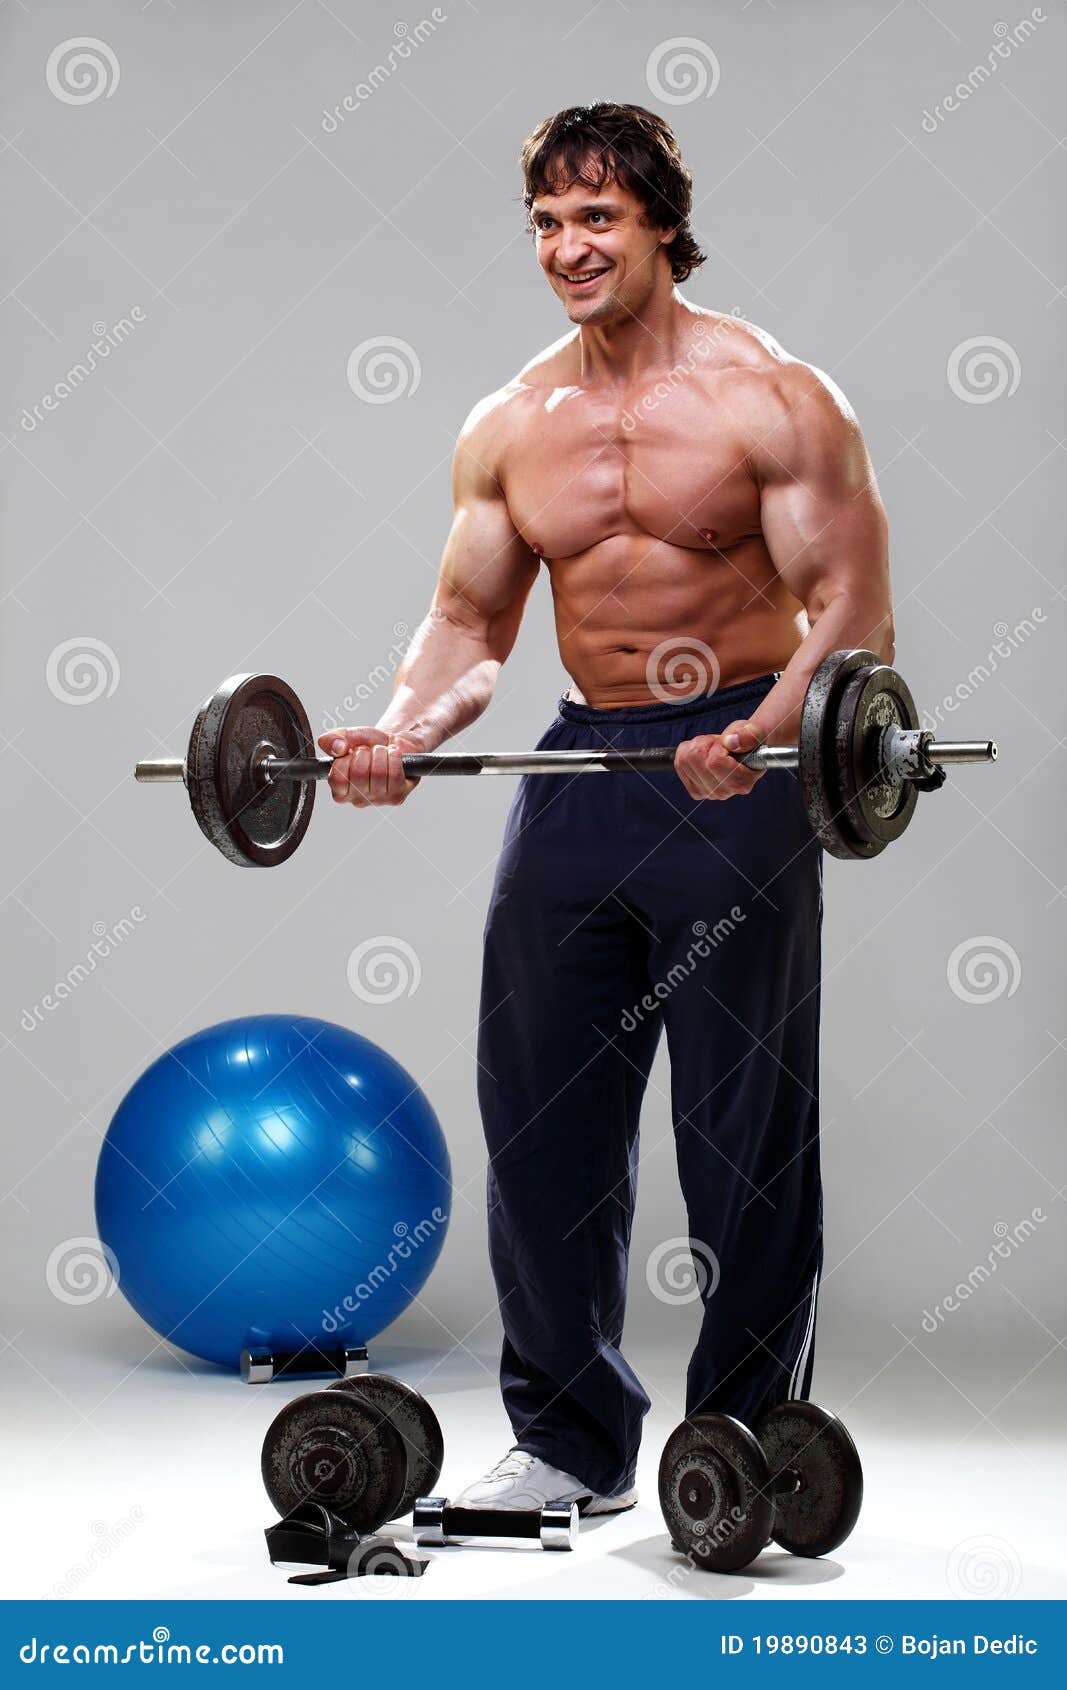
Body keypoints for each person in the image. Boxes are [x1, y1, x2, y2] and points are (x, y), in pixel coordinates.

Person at [319, 102, 893, 1514]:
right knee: (543, 1108)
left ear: (660, 229)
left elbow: (852, 610)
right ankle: (571, 1442)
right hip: (586, 766)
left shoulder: (774, 396)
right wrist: (397, 732)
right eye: (546, 224)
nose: (568, 249)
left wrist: (763, 729)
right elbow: (466, 626)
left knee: (739, 1119)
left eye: (597, 220)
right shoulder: (513, 424)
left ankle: (741, 1439)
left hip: (739, 769)